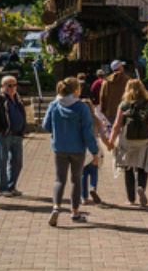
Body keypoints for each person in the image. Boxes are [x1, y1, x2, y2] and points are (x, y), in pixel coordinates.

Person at [42, 77, 99, 226]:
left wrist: (57, 131)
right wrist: (94, 151)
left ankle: (56, 207)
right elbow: (88, 132)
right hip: (77, 149)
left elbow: (45, 125)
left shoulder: (54, 104)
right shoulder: (81, 107)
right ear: (75, 90)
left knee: (59, 179)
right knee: (76, 180)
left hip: (59, 148)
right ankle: (75, 212)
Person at [107, 79, 148, 206]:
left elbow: (116, 125)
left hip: (127, 140)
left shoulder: (124, 104)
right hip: (145, 140)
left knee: (128, 167)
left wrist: (111, 141)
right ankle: (141, 186)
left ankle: (131, 199)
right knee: (143, 166)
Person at [0, 75, 27, 197]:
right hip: (4, 135)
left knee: (17, 163)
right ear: (2, 86)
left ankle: (11, 186)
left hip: (17, 135)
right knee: (2, 162)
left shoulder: (17, 98)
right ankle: (2, 188)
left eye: (14, 85)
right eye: (9, 85)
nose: (12, 88)